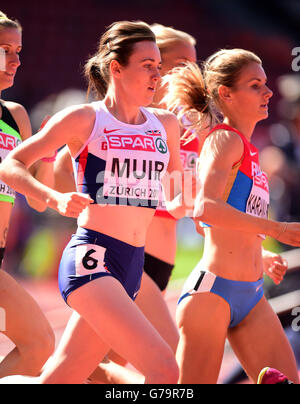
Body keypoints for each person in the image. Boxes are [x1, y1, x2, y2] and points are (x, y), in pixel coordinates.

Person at [0, 20, 185, 384]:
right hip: (92, 260)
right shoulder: (85, 118)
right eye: (147, 65)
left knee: (61, 378)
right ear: (116, 67)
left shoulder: (166, 125)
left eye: (159, 67)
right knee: (165, 370)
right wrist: (53, 197)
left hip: (133, 264)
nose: (156, 76)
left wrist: (186, 202)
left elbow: (180, 193)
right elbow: (11, 164)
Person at [168, 50, 300, 384]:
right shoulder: (224, 140)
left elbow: (213, 223)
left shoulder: (249, 147)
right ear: (226, 94)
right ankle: (105, 376)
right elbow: (204, 209)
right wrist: (277, 229)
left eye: (266, 84)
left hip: (252, 295)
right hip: (212, 294)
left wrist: (261, 252)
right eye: (255, 86)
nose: (268, 92)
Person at [0, 11, 55, 377]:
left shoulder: (15, 115)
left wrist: (49, 147)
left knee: (39, 347)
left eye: (18, 50)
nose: (16, 60)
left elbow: (37, 198)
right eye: (5, 49)